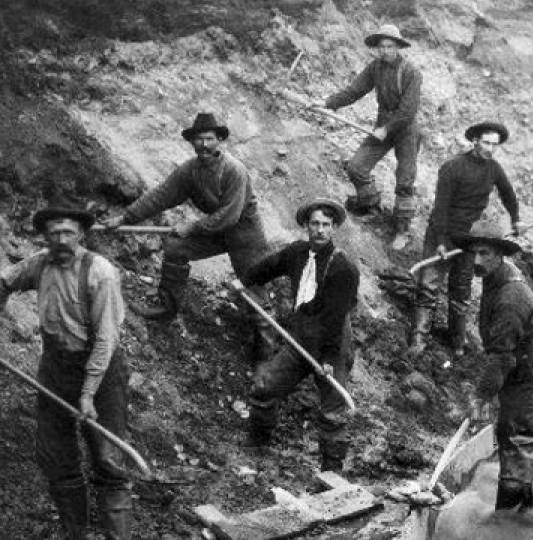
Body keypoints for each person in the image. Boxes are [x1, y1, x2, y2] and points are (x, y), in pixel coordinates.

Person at [0, 200, 132, 540]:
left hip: (101, 372)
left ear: (82, 235)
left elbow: (106, 339)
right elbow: (3, 282)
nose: (61, 240)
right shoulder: (38, 265)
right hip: (56, 367)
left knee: (108, 457)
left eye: (68, 233)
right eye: (54, 232)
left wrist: (88, 394)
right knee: (55, 455)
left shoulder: (100, 272)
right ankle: (75, 534)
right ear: (45, 236)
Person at [101, 113, 273, 361]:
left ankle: (265, 356)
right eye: (199, 139)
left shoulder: (235, 171)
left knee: (253, 291)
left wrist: (192, 227)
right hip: (215, 232)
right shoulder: (190, 171)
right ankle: (165, 308)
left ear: (219, 141)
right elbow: (161, 196)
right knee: (175, 246)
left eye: (209, 139)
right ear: (192, 142)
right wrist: (125, 218)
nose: (203, 145)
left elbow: (229, 215)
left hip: (245, 234)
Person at [240, 198, 360, 473]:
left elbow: (335, 317)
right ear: (306, 226)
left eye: (326, 225)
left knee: (332, 413)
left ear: (334, 228)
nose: (320, 230)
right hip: (300, 341)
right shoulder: (297, 253)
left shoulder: (343, 268)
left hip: (333, 345)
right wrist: (245, 280)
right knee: (264, 388)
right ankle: (258, 447)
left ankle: (331, 474)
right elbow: (269, 266)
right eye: (315, 224)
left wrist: (328, 358)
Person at [454, 221, 533, 512]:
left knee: (517, 447)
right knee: (510, 441)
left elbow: (503, 357)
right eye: (473, 253)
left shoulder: (511, 297)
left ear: (500, 254)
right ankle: (520, 514)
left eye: (485, 253)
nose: (477, 261)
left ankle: (508, 524)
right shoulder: (495, 277)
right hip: (518, 374)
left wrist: (481, 396)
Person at [410, 122, 524, 357]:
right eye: (486, 142)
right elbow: (440, 208)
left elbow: (508, 194)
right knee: (428, 287)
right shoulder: (453, 167)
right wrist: (441, 241)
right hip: (441, 233)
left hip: (469, 239)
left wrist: (516, 219)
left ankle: (457, 343)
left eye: (495, 144)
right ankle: (419, 339)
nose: (491, 149)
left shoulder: (494, 169)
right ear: (474, 141)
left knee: (461, 291)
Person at [312, 24, 422, 246]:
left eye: (390, 46)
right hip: (382, 125)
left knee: (405, 179)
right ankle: (371, 205)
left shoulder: (411, 72)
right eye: (381, 47)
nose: (385, 51)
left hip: (406, 129)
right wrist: (327, 103)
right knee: (356, 167)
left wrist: (387, 129)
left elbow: (408, 111)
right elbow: (354, 91)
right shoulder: (375, 68)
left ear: (399, 47)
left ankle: (402, 230)